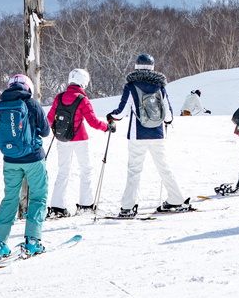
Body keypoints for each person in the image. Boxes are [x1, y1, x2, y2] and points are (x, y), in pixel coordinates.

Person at [107, 54, 189, 217]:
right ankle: (177, 199)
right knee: (164, 167)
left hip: (137, 134)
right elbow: (169, 116)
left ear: (136, 66)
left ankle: (128, 206)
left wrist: (111, 116)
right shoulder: (159, 86)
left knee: (134, 170)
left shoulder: (131, 86)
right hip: (158, 134)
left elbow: (122, 112)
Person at [0, 74, 51, 259]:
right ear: (28, 87)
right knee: (38, 197)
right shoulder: (32, 103)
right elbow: (46, 131)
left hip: (10, 160)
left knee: (10, 199)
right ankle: (32, 241)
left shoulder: (0, 106)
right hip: (33, 159)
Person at [47, 68, 110, 218]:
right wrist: (107, 127)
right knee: (85, 170)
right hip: (80, 139)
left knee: (63, 171)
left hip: (62, 140)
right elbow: (93, 122)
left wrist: (58, 131)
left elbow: (50, 118)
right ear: (84, 82)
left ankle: (57, 207)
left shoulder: (59, 97)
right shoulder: (82, 99)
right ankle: (86, 205)